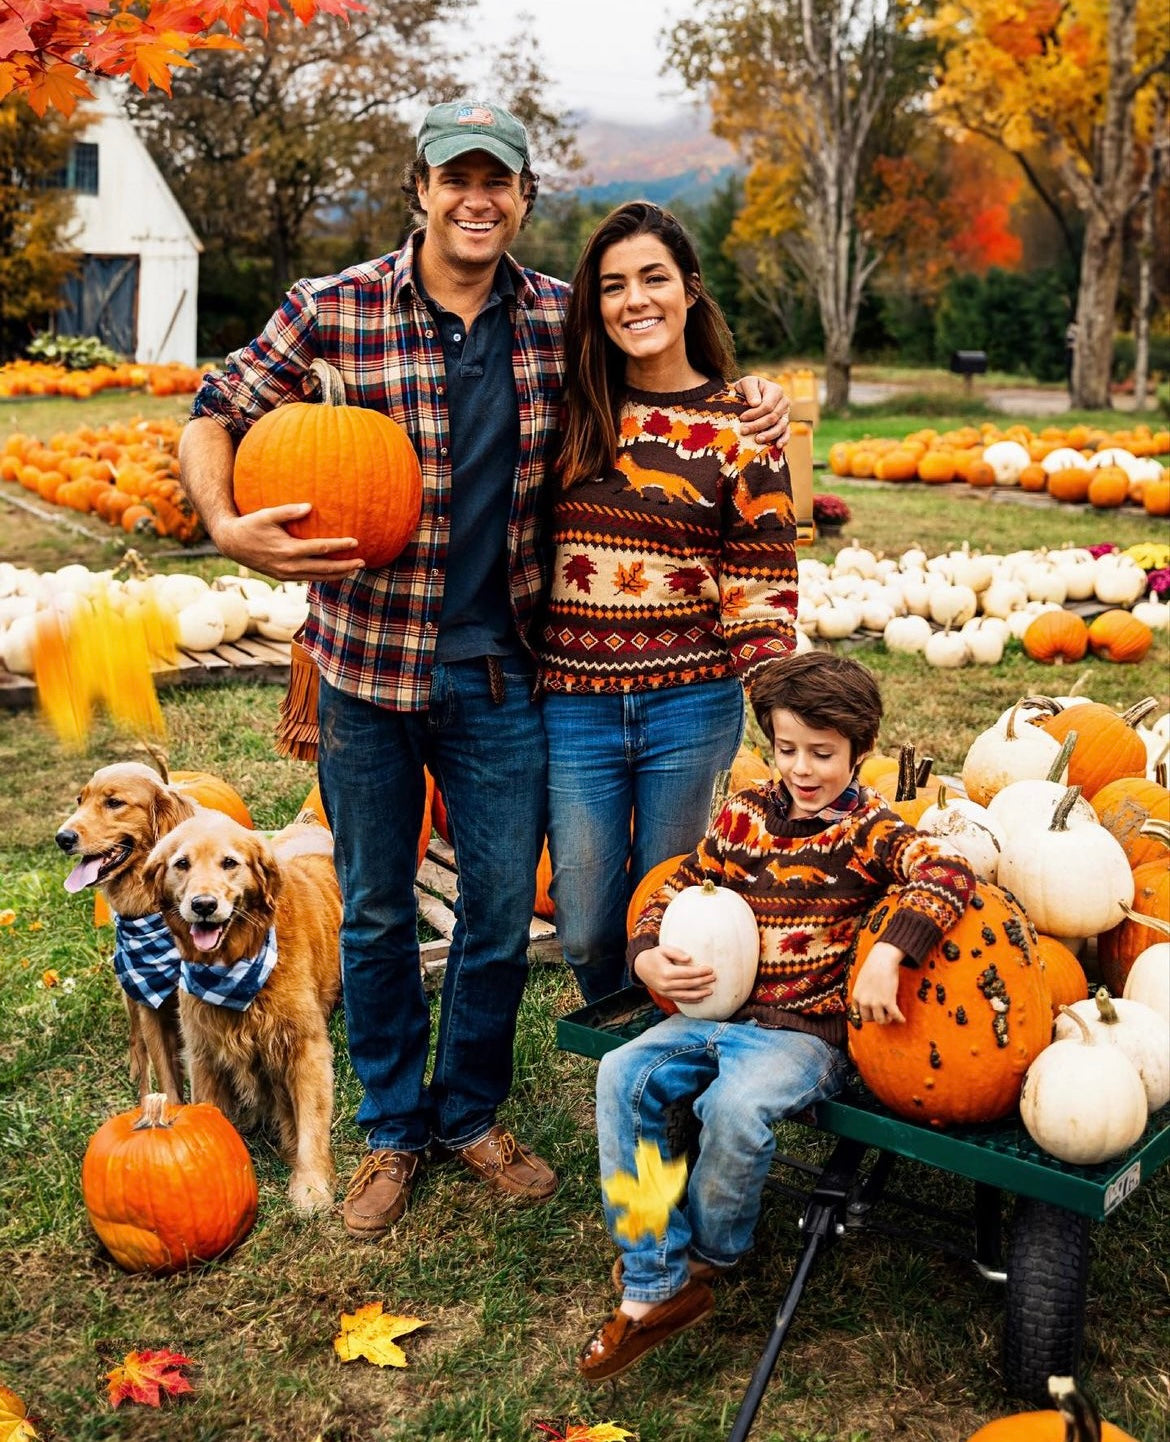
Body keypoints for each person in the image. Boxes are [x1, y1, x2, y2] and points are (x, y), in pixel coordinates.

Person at [178, 98, 791, 1241]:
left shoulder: (561, 317)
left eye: (497, 181)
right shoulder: (335, 307)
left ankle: (470, 1114)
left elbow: (669, 362)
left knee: (502, 916)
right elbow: (214, 411)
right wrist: (224, 520)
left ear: (522, 198)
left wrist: (751, 395)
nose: (476, 198)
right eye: (456, 177)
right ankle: (392, 1125)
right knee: (371, 912)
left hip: (508, 673)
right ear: (419, 186)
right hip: (366, 665)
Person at [576, 651, 976, 1382]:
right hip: (716, 1010)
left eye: (823, 754)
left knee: (737, 1106)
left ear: (861, 751)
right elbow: (681, 883)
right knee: (621, 1074)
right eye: (786, 748)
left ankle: (711, 1256)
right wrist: (643, 955)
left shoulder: (870, 829)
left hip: (804, 1034)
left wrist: (892, 951)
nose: (802, 768)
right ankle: (652, 1269)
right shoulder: (745, 816)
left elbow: (947, 872)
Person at [538, 201, 798, 1007]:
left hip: (690, 703)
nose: (635, 300)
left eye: (654, 277)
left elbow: (762, 581)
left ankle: (655, 1063)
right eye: (613, 286)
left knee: (678, 903)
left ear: (690, 288)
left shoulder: (743, 427)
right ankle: (619, 1013)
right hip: (576, 703)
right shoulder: (569, 408)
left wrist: (780, 704)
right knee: (582, 919)